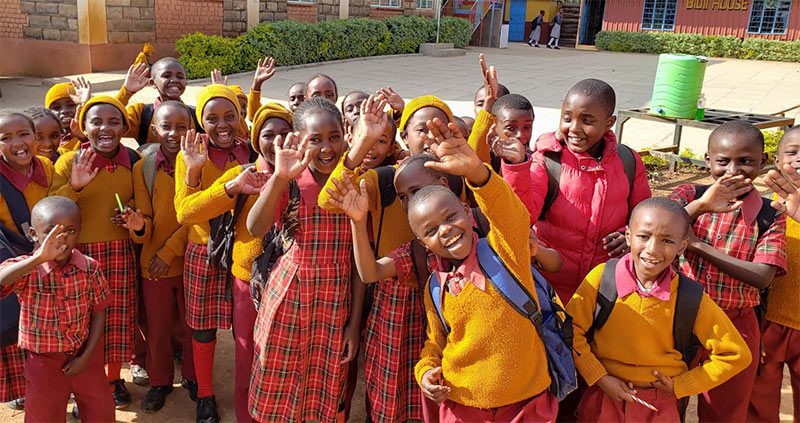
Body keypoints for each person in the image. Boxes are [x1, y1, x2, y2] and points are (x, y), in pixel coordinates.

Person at [412, 118, 558, 421]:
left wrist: (477, 173)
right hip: (463, 406)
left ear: (467, 211)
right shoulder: (436, 288)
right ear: (424, 243)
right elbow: (435, 344)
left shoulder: (505, 251)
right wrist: (425, 374)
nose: (446, 230)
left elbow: (511, 215)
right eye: (431, 230)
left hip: (526, 405)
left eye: (451, 215)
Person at [567, 198, 751, 422]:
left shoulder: (688, 296)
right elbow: (570, 330)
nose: (653, 250)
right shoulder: (602, 279)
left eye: (667, 241)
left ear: (681, 246)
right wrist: (598, 376)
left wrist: (681, 385)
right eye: (643, 237)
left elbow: (735, 353)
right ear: (628, 236)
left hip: (659, 404)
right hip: (605, 395)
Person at [246, 97, 364, 422]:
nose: (327, 147)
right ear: (300, 140)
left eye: (334, 136)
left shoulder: (354, 183)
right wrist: (280, 177)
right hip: (288, 301)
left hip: (333, 308)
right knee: (277, 387)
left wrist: (353, 325)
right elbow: (255, 226)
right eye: (316, 139)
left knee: (323, 391)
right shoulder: (292, 182)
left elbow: (357, 264)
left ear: (347, 136)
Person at [668, 120, 787, 422]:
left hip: (736, 326)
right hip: (677, 319)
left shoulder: (770, 214)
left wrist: (696, 246)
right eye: (723, 161)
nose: (733, 171)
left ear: (763, 161)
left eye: (745, 161)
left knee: (726, 410)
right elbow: (656, 225)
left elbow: (762, 275)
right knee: (669, 401)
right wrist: (701, 206)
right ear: (708, 161)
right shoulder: (688, 194)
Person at [178, 102, 289, 422]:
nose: (277, 141)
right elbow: (186, 213)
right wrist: (230, 186)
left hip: (295, 284)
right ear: (256, 140)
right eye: (269, 134)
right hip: (248, 282)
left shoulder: (306, 175)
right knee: (248, 357)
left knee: (286, 358)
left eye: (285, 133)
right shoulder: (243, 174)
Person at [50, 95, 142, 409]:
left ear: (124, 127)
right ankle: (83, 386)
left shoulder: (133, 161)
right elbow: (50, 210)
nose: (105, 128)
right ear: (83, 127)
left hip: (119, 252)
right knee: (81, 322)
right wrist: (73, 188)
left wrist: (132, 216)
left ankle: (113, 379)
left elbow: (142, 208)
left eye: (114, 121)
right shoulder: (68, 162)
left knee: (117, 317)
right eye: (96, 121)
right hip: (79, 257)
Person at [174, 84, 259, 423]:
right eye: (212, 118)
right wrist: (196, 170)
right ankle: (205, 394)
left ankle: (250, 392)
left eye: (229, 116)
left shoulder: (249, 150)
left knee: (244, 331)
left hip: (240, 250)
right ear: (200, 121)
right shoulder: (191, 155)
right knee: (203, 326)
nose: (222, 125)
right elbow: (186, 212)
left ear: (239, 118)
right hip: (203, 249)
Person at [0, 196, 115, 422]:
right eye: (51, 232)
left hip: (85, 357)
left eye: (70, 231)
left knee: (100, 412)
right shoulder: (27, 271)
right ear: (34, 234)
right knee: (43, 416)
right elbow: (2, 279)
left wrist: (86, 356)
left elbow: (100, 311)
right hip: (43, 363)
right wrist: (40, 257)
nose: (61, 239)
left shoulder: (90, 268)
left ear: (80, 231)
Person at [124, 101, 196, 412]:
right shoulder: (145, 167)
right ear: (154, 129)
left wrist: (169, 251)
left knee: (194, 327)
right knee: (156, 328)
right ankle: (160, 381)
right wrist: (139, 226)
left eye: (182, 127)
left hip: (190, 260)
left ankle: (195, 377)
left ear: (192, 129)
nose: (174, 134)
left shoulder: (198, 165)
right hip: (153, 266)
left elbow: (197, 218)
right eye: (167, 127)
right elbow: (146, 218)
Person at [0, 111, 56, 412]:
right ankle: (22, 388)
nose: (17, 143)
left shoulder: (47, 167)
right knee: (15, 330)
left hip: (47, 262)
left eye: (23, 134)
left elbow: (60, 204)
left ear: (36, 138)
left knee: (45, 328)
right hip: (14, 264)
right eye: (5, 138)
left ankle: (48, 383)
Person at [749, 126, 800, 422]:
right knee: (759, 397)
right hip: (769, 320)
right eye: (792, 153)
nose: (799, 160)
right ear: (777, 161)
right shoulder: (764, 208)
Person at [115, 57, 202, 145]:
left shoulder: (196, 114)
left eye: (180, 77)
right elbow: (109, 124)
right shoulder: (141, 114)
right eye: (166, 76)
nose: (175, 80)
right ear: (153, 83)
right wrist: (126, 92)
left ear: (186, 82)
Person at [44, 78, 91, 155]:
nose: (64, 111)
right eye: (56, 108)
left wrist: (84, 104)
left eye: (71, 105)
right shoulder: (45, 138)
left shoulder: (89, 133)